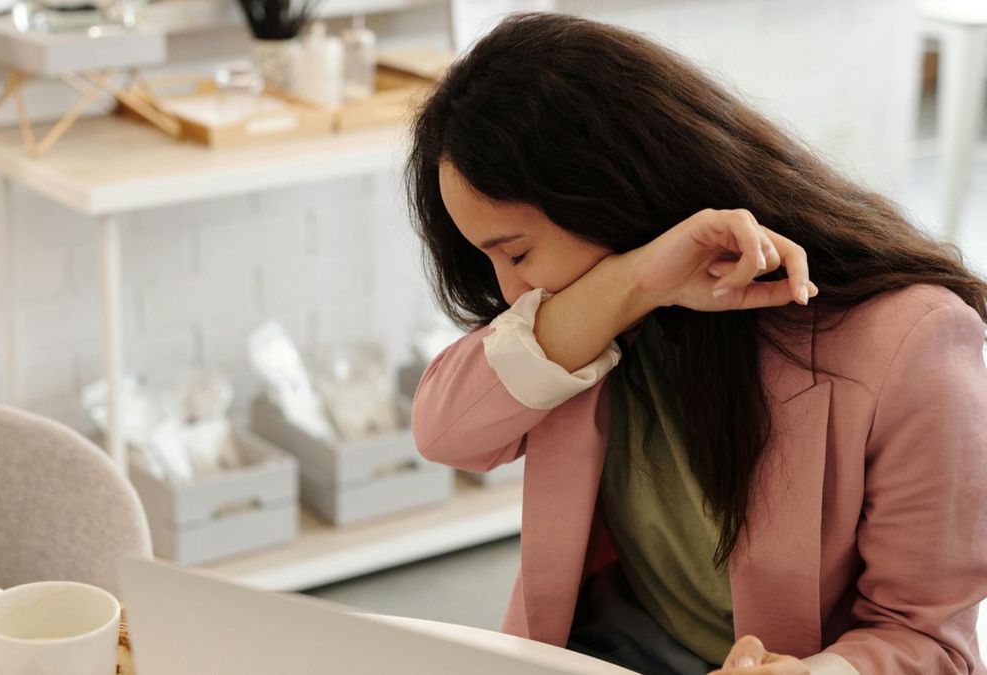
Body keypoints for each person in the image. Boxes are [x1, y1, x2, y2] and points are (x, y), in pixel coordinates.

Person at [407, 12, 987, 675]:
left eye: (515, 252)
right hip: (598, 646)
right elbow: (444, 433)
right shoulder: (585, 319)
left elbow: (931, 640)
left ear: (606, 191)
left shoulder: (909, 340)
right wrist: (634, 282)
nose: (510, 291)